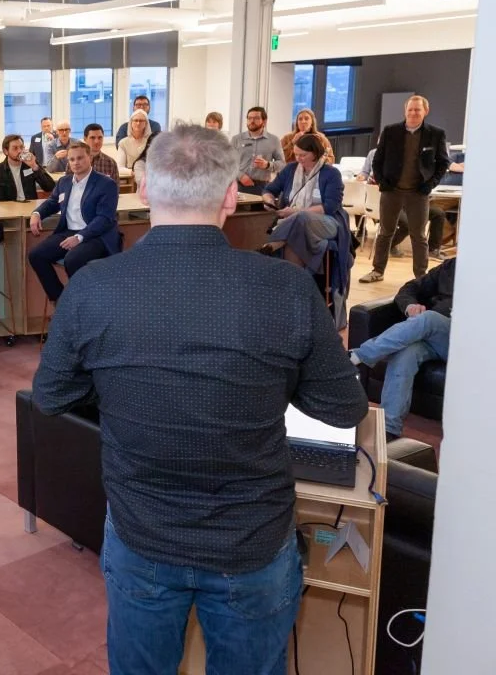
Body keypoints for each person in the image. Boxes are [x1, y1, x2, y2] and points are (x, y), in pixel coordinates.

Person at [32, 123, 368, 675]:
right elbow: (342, 408)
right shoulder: (285, 288)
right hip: (252, 541)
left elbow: (52, 396)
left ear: (143, 190)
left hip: (142, 534)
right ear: (232, 196)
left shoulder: (93, 286)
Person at [351, 257, 455, 439]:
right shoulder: (451, 267)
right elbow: (409, 288)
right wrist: (410, 306)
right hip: (433, 337)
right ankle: (389, 429)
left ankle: (358, 356)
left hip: (465, 341)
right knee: (406, 353)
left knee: (428, 319)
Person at [359, 95, 450, 284]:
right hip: (391, 191)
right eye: (410, 109)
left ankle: (421, 276)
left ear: (426, 111)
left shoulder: (436, 134)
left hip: (418, 192)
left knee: (418, 236)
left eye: (417, 109)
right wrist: (382, 182)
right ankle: (377, 270)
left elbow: (443, 163)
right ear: (405, 111)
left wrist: (430, 184)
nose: (413, 113)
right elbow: (378, 159)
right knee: (385, 232)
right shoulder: (390, 131)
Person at [28, 142, 121, 303]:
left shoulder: (106, 184)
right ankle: (62, 302)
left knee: (73, 259)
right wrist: (36, 214)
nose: (76, 162)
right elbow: (52, 202)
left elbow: (104, 219)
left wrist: (79, 237)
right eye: (72, 159)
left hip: (96, 236)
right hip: (69, 231)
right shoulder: (64, 182)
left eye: (80, 158)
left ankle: (82, 304)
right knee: (36, 255)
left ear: (90, 157)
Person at [261, 134, 346, 271]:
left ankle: (272, 244)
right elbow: (269, 190)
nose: (298, 159)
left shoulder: (331, 173)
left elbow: (330, 207)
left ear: (315, 153)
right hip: (293, 222)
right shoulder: (290, 169)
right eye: (296, 155)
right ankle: (296, 283)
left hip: (327, 221)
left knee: (300, 217)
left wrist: (295, 211)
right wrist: (269, 201)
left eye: (303, 155)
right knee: (294, 238)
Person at [231, 106, 284, 196]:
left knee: (259, 210)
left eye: (256, 118)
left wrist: (268, 165)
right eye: (249, 118)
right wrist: (240, 176)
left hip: (262, 187)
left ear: (264, 121)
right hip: (238, 185)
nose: (252, 121)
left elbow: (282, 164)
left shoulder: (274, 140)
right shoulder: (236, 139)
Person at [0, 134, 55, 202]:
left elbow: (50, 187)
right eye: (15, 148)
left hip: (30, 206)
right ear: (6, 151)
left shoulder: (30, 165)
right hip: (10, 209)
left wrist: (34, 166)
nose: (19, 151)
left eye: (21, 147)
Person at [114, 110, 153, 184]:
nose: (138, 123)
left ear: (146, 123)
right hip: (130, 179)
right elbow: (119, 167)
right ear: (131, 123)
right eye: (135, 120)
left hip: (149, 179)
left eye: (141, 121)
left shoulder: (152, 141)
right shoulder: (123, 143)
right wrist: (134, 173)